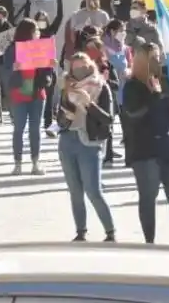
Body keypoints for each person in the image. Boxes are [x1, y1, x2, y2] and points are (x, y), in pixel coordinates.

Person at [121, 43, 169, 245]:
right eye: (153, 57)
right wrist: (154, 96)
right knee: (148, 197)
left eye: (159, 57)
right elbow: (134, 114)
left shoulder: (168, 81)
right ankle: (149, 241)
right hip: (146, 151)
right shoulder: (133, 86)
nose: (158, 61)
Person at [56, 52, 117, 242]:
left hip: (89, 143)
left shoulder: (101, 87)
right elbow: (59, 117)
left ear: (91, 66)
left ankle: (110, 231)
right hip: (67, 140)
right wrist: (66, 118)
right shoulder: (67, 87)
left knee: (93, 190)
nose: (80, 71)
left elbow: (108, 119)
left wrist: (88, 103)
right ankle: (80, 231)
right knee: (75, 190)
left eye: (84, 67)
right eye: (75, 68)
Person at [4, 12, 61, 175]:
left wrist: (50, 67)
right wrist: (15, 67)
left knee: (35, 129)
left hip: (37, 92)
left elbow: (48, 71)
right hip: (19, 92)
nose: (38, 33)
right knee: (19, 129)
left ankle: (36, 162)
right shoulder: (13, 48)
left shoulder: (42, 47)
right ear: (28, 31)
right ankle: (18, 163)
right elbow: (6, 69)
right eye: (35, 30)